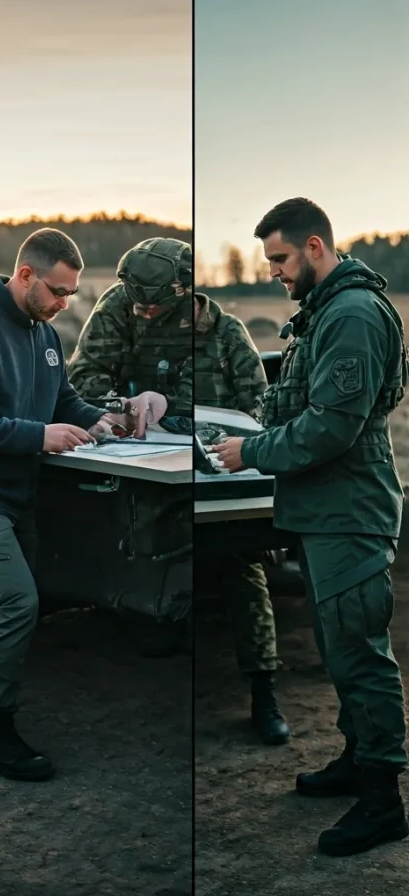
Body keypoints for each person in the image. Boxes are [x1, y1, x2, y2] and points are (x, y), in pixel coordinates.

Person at [211, 197, 409, 857]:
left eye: (280, 258)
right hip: (326, 511)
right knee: (340, 649)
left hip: (349, 513)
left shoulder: (351, 315)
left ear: (315, 248)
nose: (272, 271)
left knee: (361, 655)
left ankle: (383, 801)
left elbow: (331, 427)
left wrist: (251, 451)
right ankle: (358, 760)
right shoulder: (327, 311)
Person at [0, 228, 163, 781]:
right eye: (57, 291)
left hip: (21, 496)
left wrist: (103, 419)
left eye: (71, 294)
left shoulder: (44, 332)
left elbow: (63, 398)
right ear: (25, 274)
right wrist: (37, 436)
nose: (64, 303)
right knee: (17, 603)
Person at [67, 237, 194, 656]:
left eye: (153, 306)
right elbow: (84, 376)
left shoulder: (206, 319)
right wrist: (118, 407)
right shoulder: (116, 305)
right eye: (137, 304)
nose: (144, 313)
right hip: (130, 443)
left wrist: (171, 408)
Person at [186, 293, 291, 745]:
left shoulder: (228, 334)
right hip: (159, 469)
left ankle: (263, 691)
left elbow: (262, 410)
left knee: (242, 565)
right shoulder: (141, 327)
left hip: (223, 477)